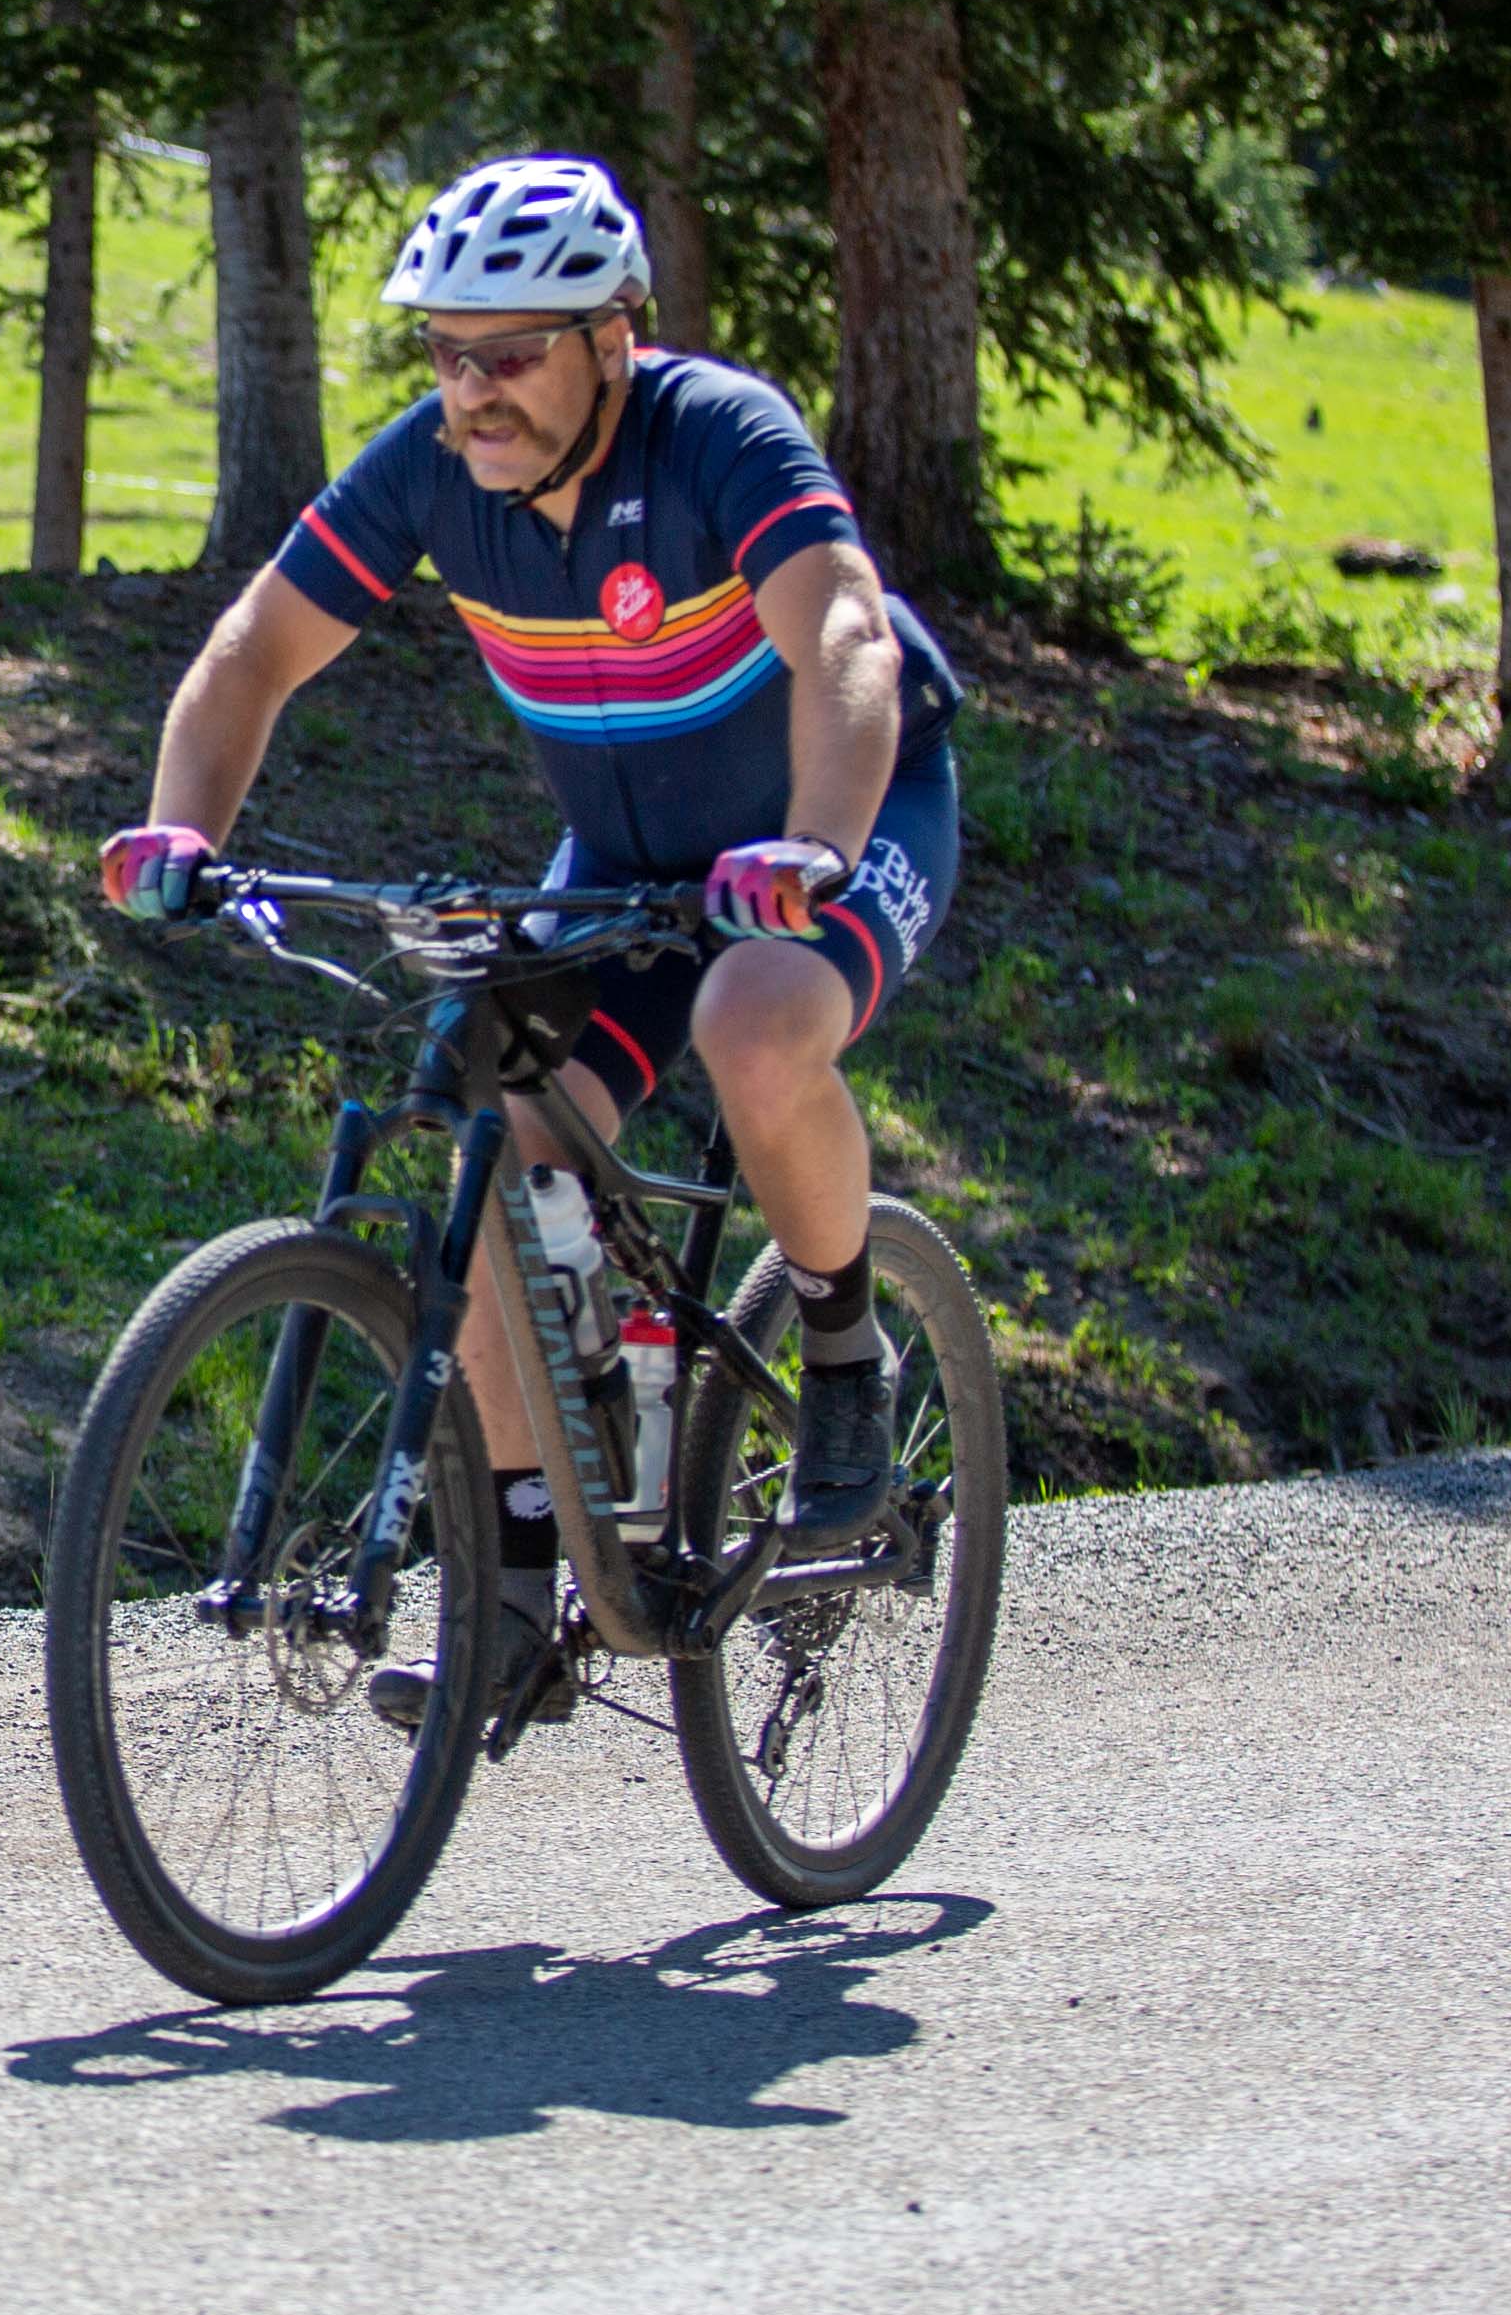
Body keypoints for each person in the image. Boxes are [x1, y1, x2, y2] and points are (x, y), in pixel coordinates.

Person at [96, 154, 962, 1715]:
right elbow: (253, 653)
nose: (472, 390)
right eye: (445, 351)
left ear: (616, 337)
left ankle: (844, 1350)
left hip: (834, 825)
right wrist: (183, 830)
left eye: (510, 353)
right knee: (507, 1136)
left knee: (754, 1024)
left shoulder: (720, 437)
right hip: (628, 863)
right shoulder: (431, 470)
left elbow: (842, 634)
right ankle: (531, 1585)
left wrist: (819, 844)